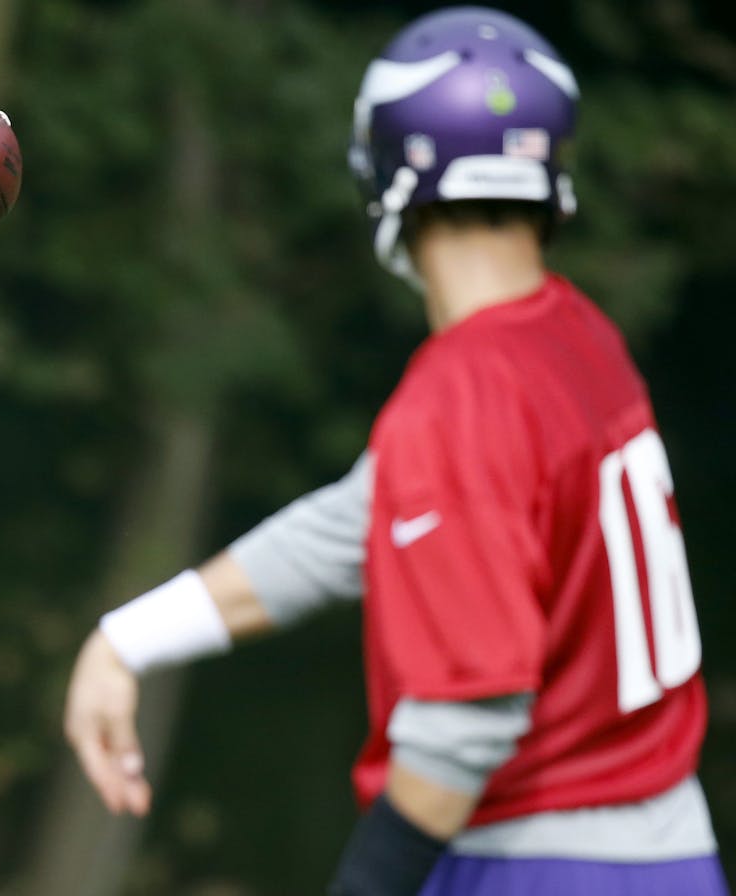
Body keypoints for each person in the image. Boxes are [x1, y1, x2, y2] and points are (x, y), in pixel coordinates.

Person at [62, 8, 728, 895]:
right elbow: (360, 521)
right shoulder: (573, 337)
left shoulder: (461, 395)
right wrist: (127, 640)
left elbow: (469, 715)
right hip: (671, 856)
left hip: (538, 865)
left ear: (391, 172)